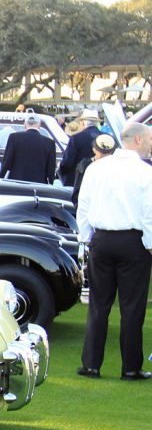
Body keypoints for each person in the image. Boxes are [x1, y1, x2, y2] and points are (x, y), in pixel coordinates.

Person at [76, 123, 152, 380]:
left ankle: (91, 364)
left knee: (98, 304)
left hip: (102, 239)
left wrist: (87, 238)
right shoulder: (145, 172)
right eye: (150, 139)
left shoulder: (97, 168)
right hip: (133, 242)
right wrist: (150, 244)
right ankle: (130, 367)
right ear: (138, 140)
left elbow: (83, 206)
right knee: (132, 307)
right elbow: (149, 213)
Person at [0, 115, 58, 184]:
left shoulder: (14, 137)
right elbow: (51, 168)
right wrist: (51, 183)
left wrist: (1, 177)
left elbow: (7, 161)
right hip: (39, 184)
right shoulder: (49, 143)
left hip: (16, 182)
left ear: (25, 124)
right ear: (39, 125)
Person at [59, 109, 103, 186]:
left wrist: (61, 172)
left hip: (78, 181)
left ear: (82, 123)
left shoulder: (76, 138)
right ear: (97, 123)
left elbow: (67, 163)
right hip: (100, 181)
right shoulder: (106, 138)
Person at [72, 133, 116, 210]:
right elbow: (78, 195)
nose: (104, 156)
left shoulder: (116, 167)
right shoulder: (84, 166)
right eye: (102, 152)